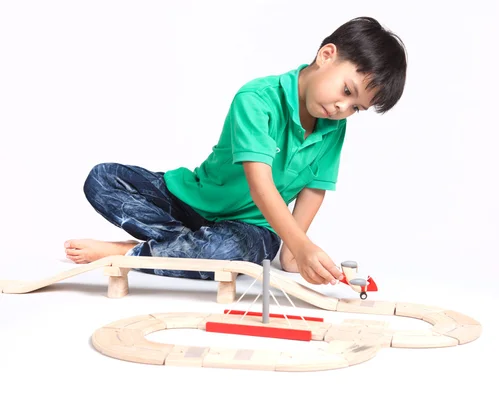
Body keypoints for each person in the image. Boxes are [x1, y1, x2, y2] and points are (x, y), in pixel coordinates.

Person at [64, 16, 408, 286]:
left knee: (232, 251)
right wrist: (302, 246)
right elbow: (260, 184)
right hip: (191, 201)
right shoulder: (257, 99)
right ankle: (183, 248)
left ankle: (132, 252)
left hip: (249, 229)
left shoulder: (334, 127)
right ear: (326, 55)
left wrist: (293, 249)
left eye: (355, 107)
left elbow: (314, 188)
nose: (341, 108)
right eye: (346, 90)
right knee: (103, 179)